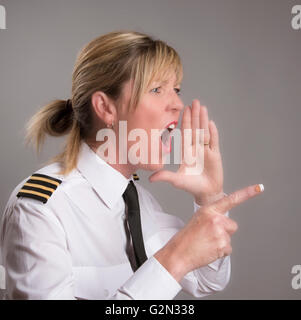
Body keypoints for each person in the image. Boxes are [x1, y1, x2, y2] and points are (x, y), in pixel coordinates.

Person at [0, 30, 264, 300]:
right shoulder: (40, 210)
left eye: (176, 89)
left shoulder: (141, 203)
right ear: (106, 108)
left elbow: (207, 281)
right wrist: (174, 259)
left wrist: (208, 199)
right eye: (157, 89)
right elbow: (178, 265)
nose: (177, 104)